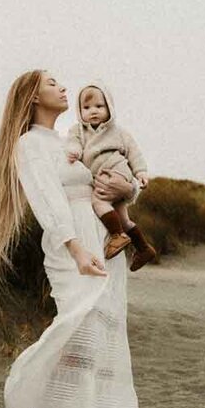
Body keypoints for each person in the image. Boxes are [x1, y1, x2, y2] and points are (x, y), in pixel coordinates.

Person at [0, 69, 142, 408]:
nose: (63, 88)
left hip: (104, 246)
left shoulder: (74, 140)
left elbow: (112, 184)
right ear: (33, 96)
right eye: (53, 83)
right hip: (73, 249)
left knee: (108, 344)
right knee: (75, 343)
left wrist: (129, 190)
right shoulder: (31, 144)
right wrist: (74, 248)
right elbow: (47, 201)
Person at [64, 80, 158, 272]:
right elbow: (72, 143)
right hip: (105, 177)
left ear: (110, 107)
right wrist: (73, 151)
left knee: (98, 202)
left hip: (116, 170)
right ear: (79, 110)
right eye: (87, 107)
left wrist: (140, 172)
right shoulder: (77, 131)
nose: (94, 111)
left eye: (100, 106)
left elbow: (134, 152)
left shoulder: (119, 132)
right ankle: (143, 248)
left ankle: (117, 235)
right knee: (123, 218)